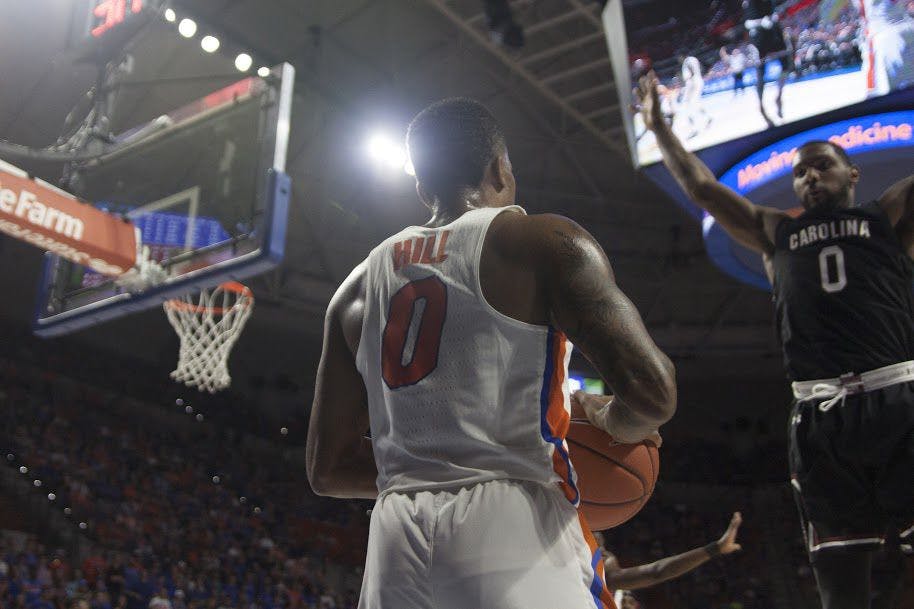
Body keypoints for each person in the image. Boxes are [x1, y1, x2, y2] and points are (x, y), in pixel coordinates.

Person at [306, 97, 676, 609]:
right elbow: (653, 394)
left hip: (394, 543)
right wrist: (614, 421)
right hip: (510, 527)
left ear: (421, 186)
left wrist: (431, 466)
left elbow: (326, 470)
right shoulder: (541, 241)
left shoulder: (353, 290)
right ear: (500, 169)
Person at [638, 72, 914, 609]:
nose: (809, 177)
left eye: (822, 166)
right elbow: (700, 187)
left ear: (852, 174)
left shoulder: (887, 216)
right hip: (819, 418)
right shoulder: (775, 231)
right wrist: (658, 128)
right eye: (800, 172)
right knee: (839, 584)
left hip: (896, 401)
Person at [595, 511, 743, 606]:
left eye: (604, 548)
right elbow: (656, 572)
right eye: (599, 548)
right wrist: (715, 548)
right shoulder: (601, 576)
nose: (606, 555)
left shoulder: (606, 584)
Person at [742, 0, 795, 126]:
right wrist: (761, 22)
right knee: (761, 71)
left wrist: (775, 19)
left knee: (787, 65)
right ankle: (761, 106)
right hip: (758, 34)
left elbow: (774, 11)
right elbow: (747, 22)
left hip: (774, 30)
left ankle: (779, 96)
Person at [677, 55, 711, 138]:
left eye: (679, 58)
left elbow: (691, 72)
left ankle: (693, 129)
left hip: (692, 84)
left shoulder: (687, 61)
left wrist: (688, 89)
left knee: (685, 107)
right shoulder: (694, 58)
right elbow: (700, 68)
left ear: (682, 56)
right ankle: (707, 118)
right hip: (698, 81)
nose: (679, 60)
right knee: (695, 104)